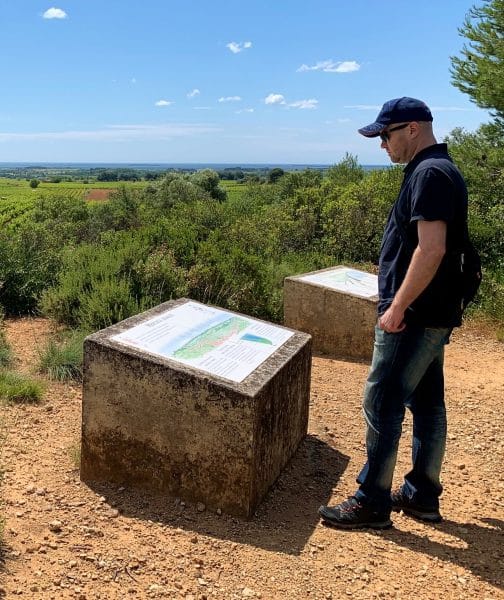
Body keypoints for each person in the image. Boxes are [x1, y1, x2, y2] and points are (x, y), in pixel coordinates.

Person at [319, 97, 470, 529]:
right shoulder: (436, 170)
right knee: (425, 403)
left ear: (412, 130)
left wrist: (397, 305)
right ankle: (422, 495)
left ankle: (371, 501)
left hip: (414, 316)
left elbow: (432, 248)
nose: (382, 145)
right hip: (432, 312)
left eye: (385, 135)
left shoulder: (430, 173)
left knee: (382, 399)